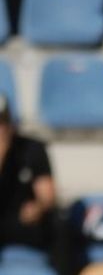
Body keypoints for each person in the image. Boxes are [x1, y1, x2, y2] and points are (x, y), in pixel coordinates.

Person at [0, 96, 57, 262]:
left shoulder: (31, 148)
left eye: (2, 122)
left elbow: (47, 195)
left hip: (24, 224)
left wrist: (38, 207)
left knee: (58, 227)